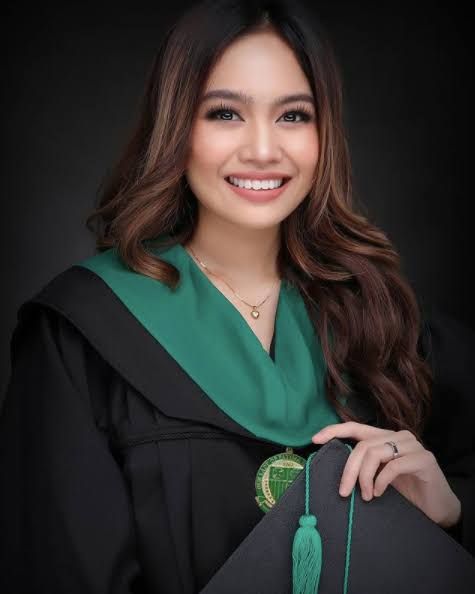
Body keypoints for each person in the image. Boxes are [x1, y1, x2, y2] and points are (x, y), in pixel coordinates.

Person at [1, 0, 474, 592]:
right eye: (225, 113)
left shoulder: (385, 321)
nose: (262, 149)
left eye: (293, 116)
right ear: (176, 126)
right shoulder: (83, 335)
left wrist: (452, 515)